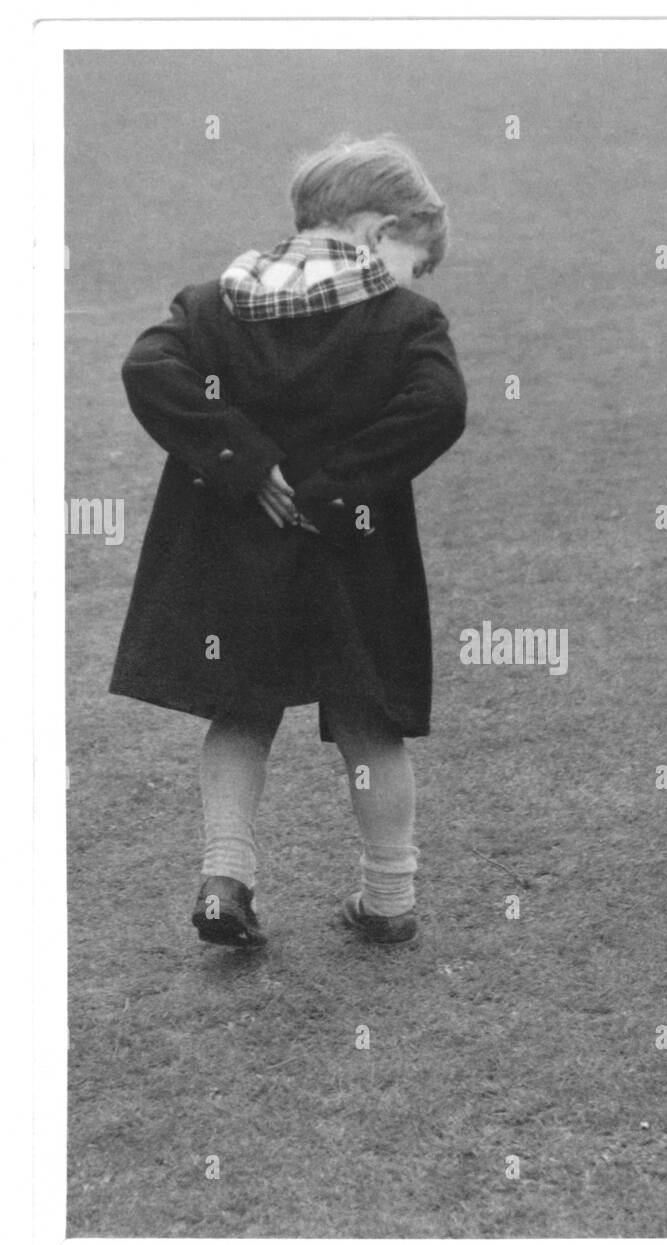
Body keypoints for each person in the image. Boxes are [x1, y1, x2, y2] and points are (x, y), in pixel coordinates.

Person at [111, 134, 467, 949]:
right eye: (418, 259)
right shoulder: (404, 317)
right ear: (379, 233)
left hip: (235, 555)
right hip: (356, 556)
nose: (415, 281)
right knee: (369, 721)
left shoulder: (210, 304)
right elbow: (439, 406)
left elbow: (149, 370)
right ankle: (387, 899)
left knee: (241, 710)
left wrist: (246, 461)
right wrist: (335, 489)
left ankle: (224, 878)